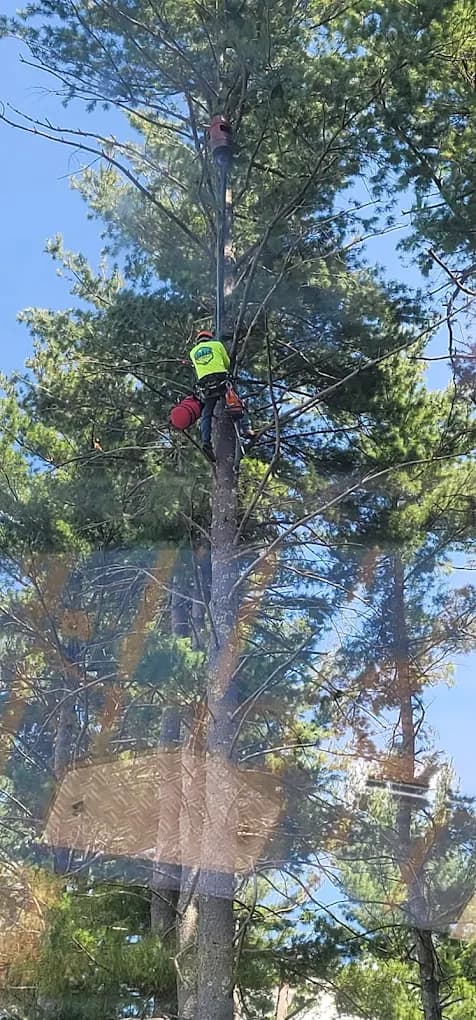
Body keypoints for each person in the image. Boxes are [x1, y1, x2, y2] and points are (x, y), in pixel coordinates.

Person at [189, 329, 253, 458]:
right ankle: (247, 429)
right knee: (236, 401)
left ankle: (206, 441)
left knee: (206, 414)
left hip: (206, 385)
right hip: (221, 380)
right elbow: (227, 363)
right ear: (209, 338)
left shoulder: (193, 352)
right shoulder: (217, 344)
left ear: (198, 341)